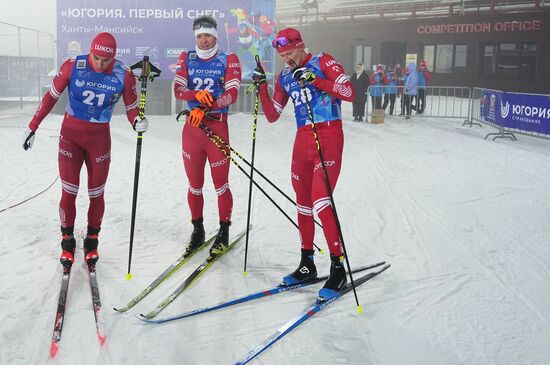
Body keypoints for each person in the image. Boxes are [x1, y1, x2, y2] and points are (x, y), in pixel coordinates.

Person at [21, 32, 147, 269]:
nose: (99, 64)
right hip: (70, 137)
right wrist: (33, 126)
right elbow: (50, 97)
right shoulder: (73, 66)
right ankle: (67, 241)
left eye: (105, 60)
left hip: (99, 140)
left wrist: (137, 121)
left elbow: (132, 108)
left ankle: (92, 240)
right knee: (69, 191)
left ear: (114, 57)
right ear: (90, 51)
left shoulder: (124, 75)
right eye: (96, 58)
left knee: (96, 193)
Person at [251, 27, 355, 299]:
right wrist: (262, 86)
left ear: (301, 46)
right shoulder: (285, 75)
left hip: (328, 134)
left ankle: (337, 267)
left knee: (322, 200)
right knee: (303, 204)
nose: (287, 58)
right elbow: (273, 114)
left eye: (290, 52)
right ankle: (307, 264)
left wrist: (315, 79)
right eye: (282, 55)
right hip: (302, 139)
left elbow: (348, 91)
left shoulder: (323, 61)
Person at [173, 15, 242, 256]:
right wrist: (196, 94)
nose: (203, 41)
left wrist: (207, 106)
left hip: (216, 126)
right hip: (192, 130)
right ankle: (198, 229)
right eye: (199, 36)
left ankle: (223, 231)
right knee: (195, 185)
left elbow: (232, 93)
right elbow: (178, 90)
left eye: (208, 36)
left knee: (220, 184)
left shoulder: (228, 58)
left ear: (216, 36)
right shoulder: (187, 57)